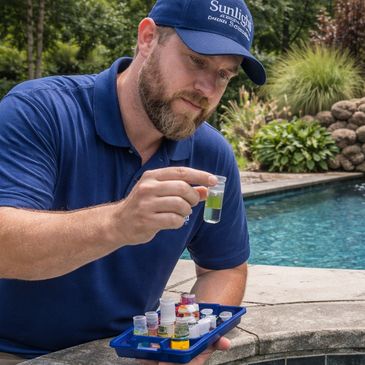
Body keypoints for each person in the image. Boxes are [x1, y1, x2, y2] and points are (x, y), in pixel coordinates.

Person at [0, 0, 266, 364]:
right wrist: (118, 223)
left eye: (224, 74)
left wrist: (193, 336)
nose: (206, 88)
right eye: (197, 60)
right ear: (147, 38)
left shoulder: (210, 153)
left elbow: (223, 266)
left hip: (132, 351)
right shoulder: (39, 112)